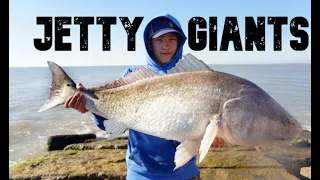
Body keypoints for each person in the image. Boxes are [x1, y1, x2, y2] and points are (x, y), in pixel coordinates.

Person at [64, 13, 224, 180]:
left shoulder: (196, 78)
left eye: (171, 39)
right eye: (159, 40)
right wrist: (89, 106)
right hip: (142, 173)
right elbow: (111, 125)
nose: (166, 46)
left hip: (186, 173)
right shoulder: (132, 75)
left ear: (180, 42)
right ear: (150, 43)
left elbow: (201, 124)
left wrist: (213, 135)